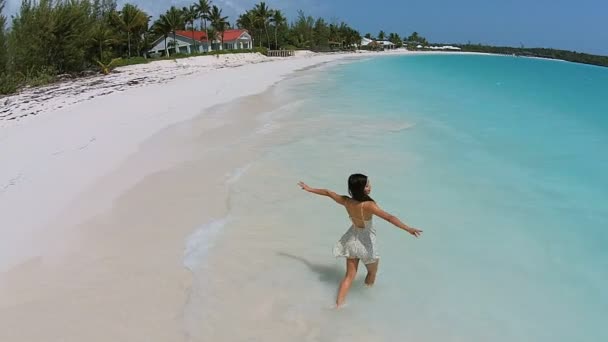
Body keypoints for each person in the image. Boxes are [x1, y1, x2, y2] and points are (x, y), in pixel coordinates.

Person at [297, 173, 422, 307]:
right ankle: (368, 297)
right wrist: (408, 228)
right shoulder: (369, 205)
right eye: (367, 185)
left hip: (351, 240)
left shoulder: (346, 201)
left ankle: (338, 306)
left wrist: (309, 189)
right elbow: (389, 217)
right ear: (361, 188)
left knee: (349, 276)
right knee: (372, 273)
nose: (370, 187)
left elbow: (328, 192)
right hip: (366, 244)